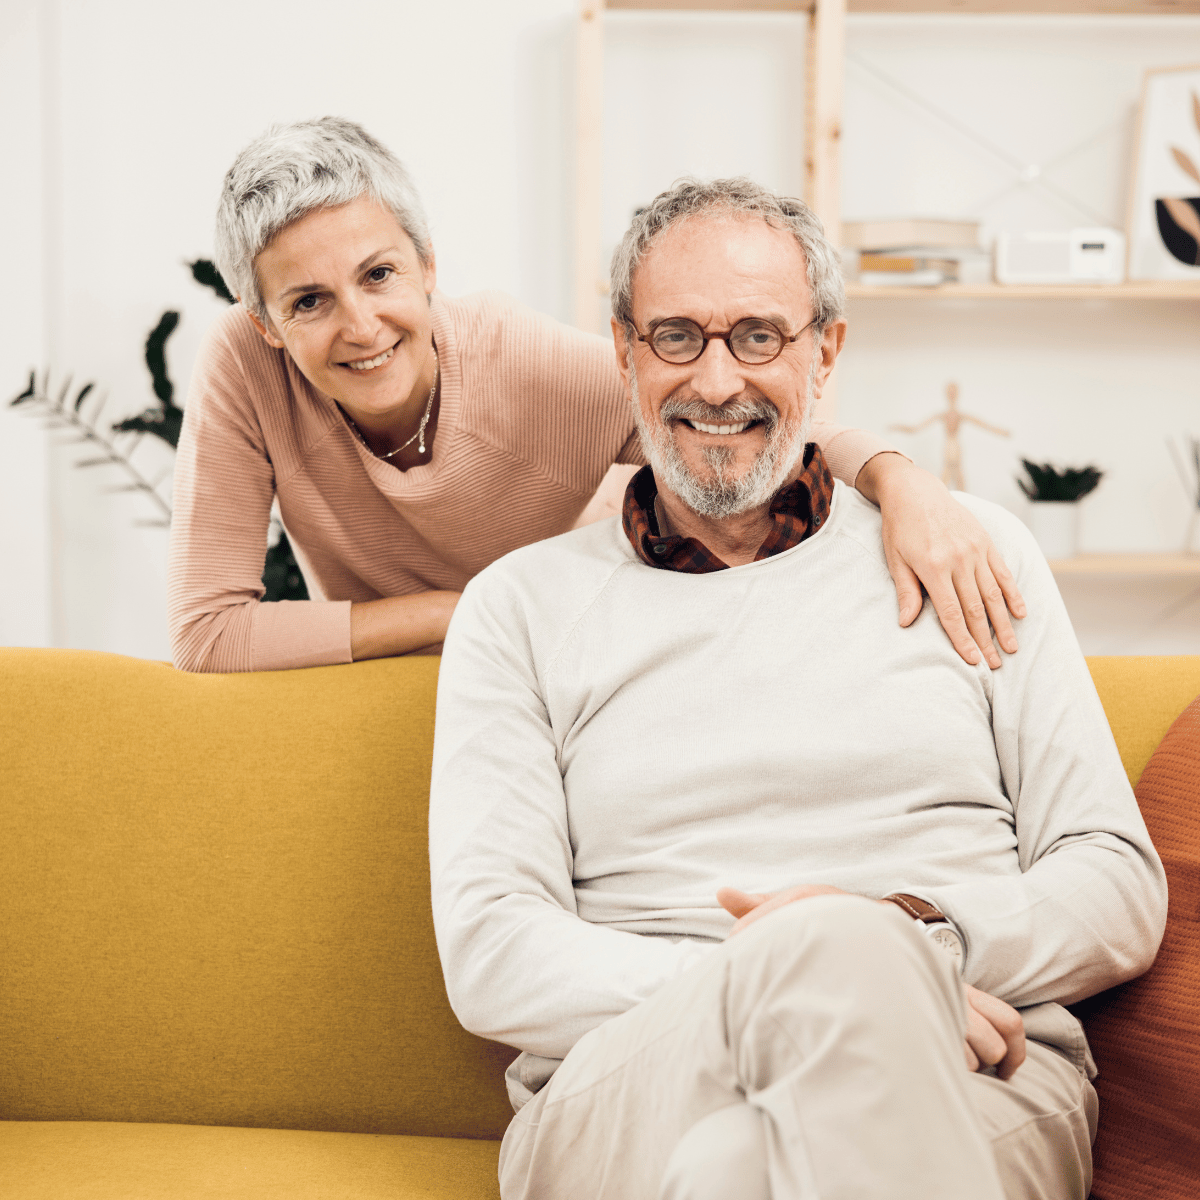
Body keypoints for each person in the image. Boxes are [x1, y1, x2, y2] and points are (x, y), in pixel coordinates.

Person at [428, 179, 1167, 1199]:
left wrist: (905, 954)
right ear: (624, 352)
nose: (718, 380)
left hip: (969, 1064)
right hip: (640, 1073)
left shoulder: (970, 555)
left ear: (826, 351)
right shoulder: (518, 609)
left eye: (759, 337)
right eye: (678, 337)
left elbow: (1117, 889)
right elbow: (493, 953)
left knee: (743, 1171)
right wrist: (809, 983)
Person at [168, 116, 1025, 673]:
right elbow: (208, 633)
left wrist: (904, 480)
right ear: (267, 323)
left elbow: (740, 408)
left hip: (565, 665)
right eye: (309, 301)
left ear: (428, 267)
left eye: (379, 274)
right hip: (417, 673)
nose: (360, 326)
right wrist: (467, 612)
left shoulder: (522, 364)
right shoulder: (244, 368)